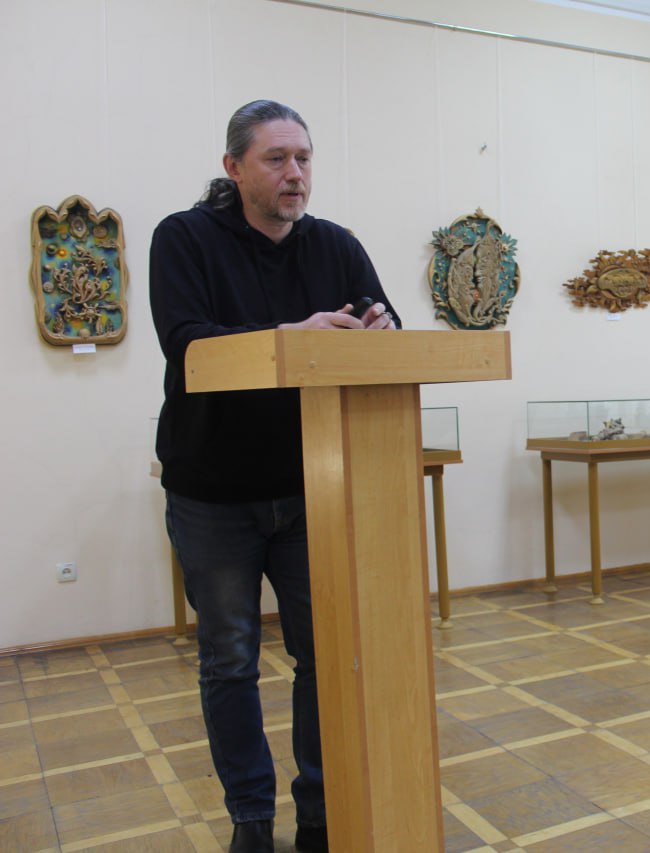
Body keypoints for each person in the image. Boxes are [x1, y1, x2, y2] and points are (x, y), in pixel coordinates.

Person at [150, 99, 398, 853]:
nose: (296, 174)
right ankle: (251, 818)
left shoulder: (337, 244)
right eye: (277, 159)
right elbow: (189, 347)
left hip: (311, 486)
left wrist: (380, 331)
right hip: (213, 493)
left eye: (305, 159)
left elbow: (386, 325)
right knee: (229, 660)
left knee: (322, 655)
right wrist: (289, 337)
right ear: (234, 168)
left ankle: (319, 813)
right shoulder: (184, 237)